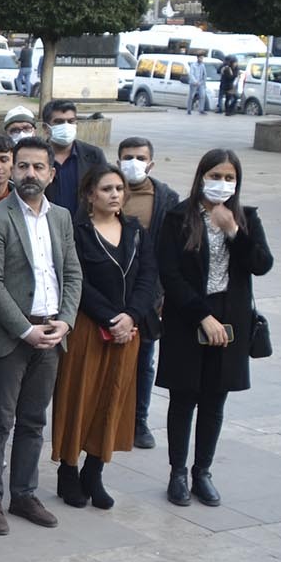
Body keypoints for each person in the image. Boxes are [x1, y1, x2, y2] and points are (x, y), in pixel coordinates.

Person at [0, 137, 82, 538]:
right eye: (23, 167)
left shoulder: (63, 217)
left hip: (53, 332)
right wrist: (25, 329)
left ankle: (24, 494)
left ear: (52, 174)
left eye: (38, 167)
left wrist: (65, 321)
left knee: (34, 420)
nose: (29, 174)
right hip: (11, 336)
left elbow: (72, 273)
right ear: (12, 171)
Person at [157, 149, 273, 508]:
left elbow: (261, 264)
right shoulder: (178, 217)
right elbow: (170, 274)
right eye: (215, 176)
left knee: (214, 399)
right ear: (201, 176)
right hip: (189, 317)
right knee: (184, 396)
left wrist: (234, 231)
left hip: (231, 318)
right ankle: (177, 471)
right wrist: (200, 316)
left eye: (229, 178)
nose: (221, 184)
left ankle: (202, 471)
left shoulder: (246, 218)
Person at [48, 165, 157, 511]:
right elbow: (76, 281)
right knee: (79, 397)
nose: (114, 195)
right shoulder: (79, 233)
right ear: (89, 195)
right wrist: (110, 318)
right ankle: (69, 470)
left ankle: (94, 472)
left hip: (129, 331)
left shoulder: (135, 231)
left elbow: (148, 278)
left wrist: (131, 316)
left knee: (114, 401)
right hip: (88, 329)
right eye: (107, 189)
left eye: (119, 189)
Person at [115, 137, 179, 450]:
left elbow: (172, 249)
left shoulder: (166, 198)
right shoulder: (108, 191)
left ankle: (139, 420)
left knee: (143, 360)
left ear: (151, 163)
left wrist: (164, 293)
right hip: (111, 292)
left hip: (149, 293)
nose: (134, 163)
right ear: (117, 161)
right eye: (128, 157)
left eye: (140, 157)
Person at [40, 100, 106, 215]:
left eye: (70, 121)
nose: (66, 126)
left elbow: (105, 189)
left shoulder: (94, 156)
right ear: (46, 128)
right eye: (59, 122)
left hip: (84, 227)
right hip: (46, 225)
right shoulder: (36, 157)